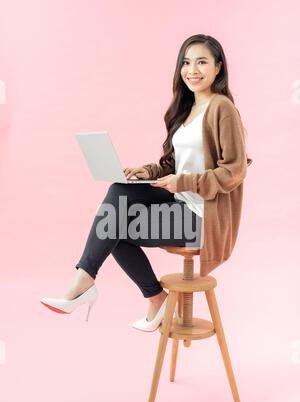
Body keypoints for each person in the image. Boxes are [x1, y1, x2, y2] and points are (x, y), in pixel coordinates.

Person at [40, 34, 252, 331]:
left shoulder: (222, 108)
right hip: (180, 201)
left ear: (218, 67)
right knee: (117, 197)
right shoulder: (187, 109)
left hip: (203, 218)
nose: (193, 70)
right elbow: (175, 163)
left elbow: (234, 170)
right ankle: (141, 294)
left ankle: (100, 285)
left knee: (111, 224)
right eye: (186, 63)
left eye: (202, 62)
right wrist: (148, 170)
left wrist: (184, 182)